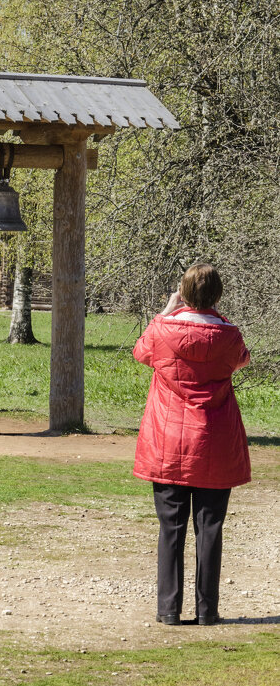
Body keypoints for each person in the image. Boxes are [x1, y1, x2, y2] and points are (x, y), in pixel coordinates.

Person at [133, 263, 251, 627]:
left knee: (171, 528)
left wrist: (167, 312)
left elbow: (141, 352)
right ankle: (206, 611)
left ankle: (168, 610)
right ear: (217, 296)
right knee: (210, 526)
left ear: (182, 294)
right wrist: (216, 315)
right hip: (214, 442)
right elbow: (242, 360)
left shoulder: (162, 330)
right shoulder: (229, 336)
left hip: (168, 441)